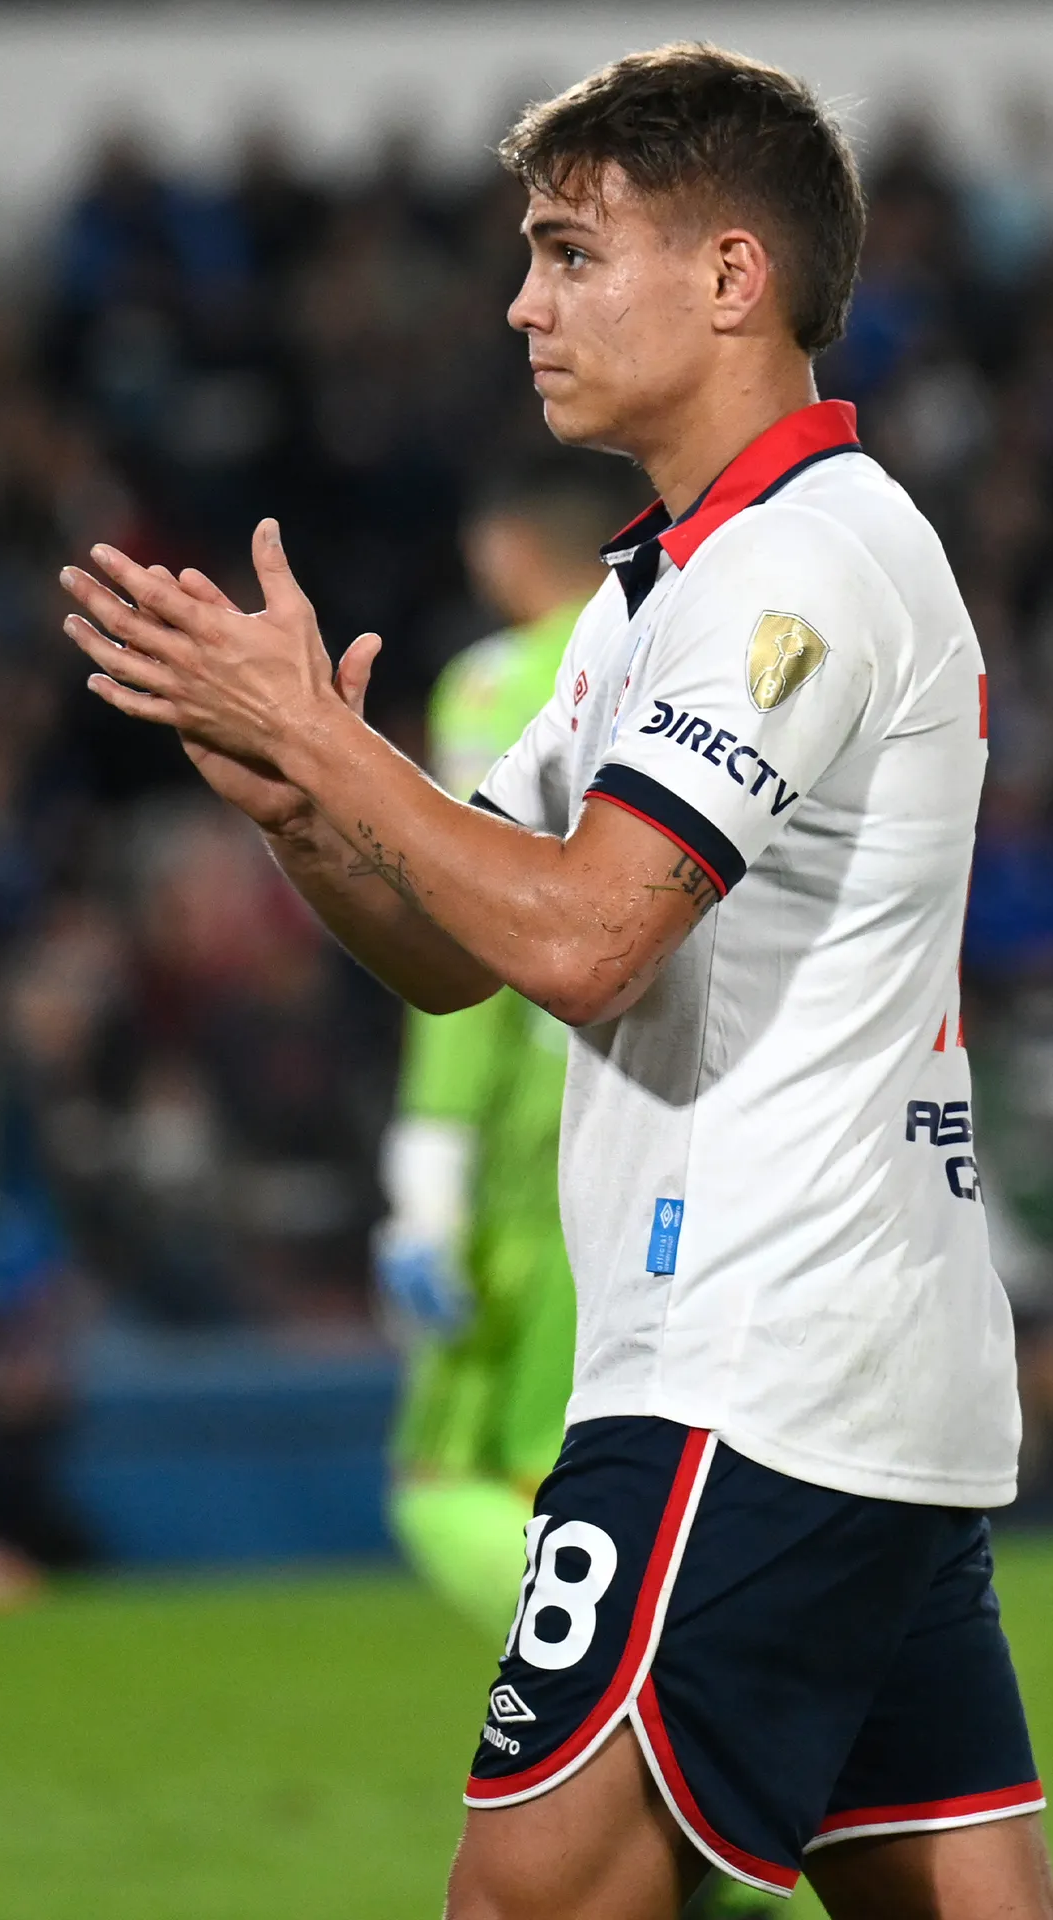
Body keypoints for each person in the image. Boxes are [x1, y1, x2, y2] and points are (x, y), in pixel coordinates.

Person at [59, 41, 1053, 1920]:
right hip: (845, 1366)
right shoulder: (660, 592)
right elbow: (460, 953)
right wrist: (303, 807)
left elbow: (587, 939)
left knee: (527, 1898)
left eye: (571, 252)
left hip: (751, 1363)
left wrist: (335, 748)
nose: (524, 303)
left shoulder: (801, 570)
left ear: (732, 276)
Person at [381, 461, 616, 1643]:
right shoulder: (684, 645)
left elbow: (469, 910)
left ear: (505, 546)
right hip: (676, 1118)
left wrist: (430, 1162)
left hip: (538, 1135)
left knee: (456, 1486)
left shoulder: (501, 680)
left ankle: (637, 1681)